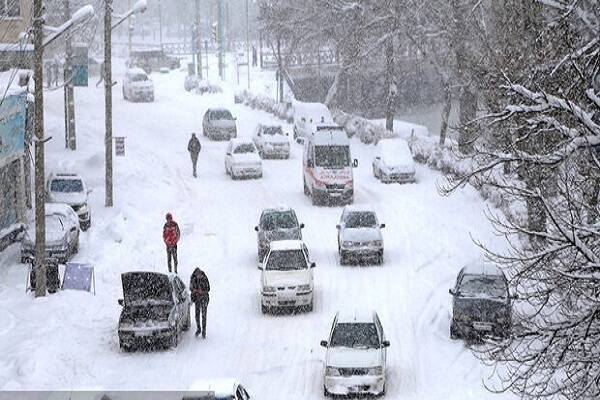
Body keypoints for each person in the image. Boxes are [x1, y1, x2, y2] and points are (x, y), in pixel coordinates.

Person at [190, 267, 210, 338]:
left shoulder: (204, 277)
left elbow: (208, 288)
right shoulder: (193, 278)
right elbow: (191, 288)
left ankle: (204, 331)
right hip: (197, 299)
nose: (199, 277)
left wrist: (203, 291)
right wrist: (194, 290)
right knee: (197, 315)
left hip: (204, 298)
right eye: (197, 275)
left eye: (199, 275)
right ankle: (198, 328)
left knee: (204, 316)